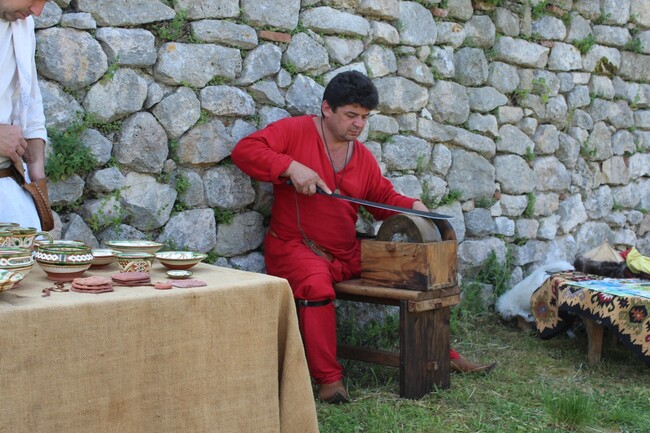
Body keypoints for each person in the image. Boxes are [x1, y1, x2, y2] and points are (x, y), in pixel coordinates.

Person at [232, 71, 495, 404]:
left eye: (365, 117)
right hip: (297, 248)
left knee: (413, 269)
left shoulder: (363, 157)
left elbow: (382, 198)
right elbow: (245, 150)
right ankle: (329, 380)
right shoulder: (294, 131)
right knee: (315, 285)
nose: (358, 124)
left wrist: (415, 207)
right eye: (351, 115)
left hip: (346, 252)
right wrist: (290, 167)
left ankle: (442, 354)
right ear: (327, 108)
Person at [0, 0, 48, 229]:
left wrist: (36, 164)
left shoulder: (23, 24)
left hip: (8, 180)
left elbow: (30, 95)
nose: (37, 11)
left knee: (33, 261)